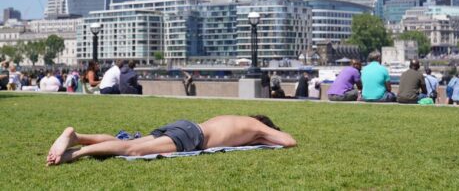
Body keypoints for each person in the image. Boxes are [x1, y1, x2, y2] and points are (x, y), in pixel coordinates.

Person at [46, 114, 297, 166]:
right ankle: (76, 154)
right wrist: (264, 133)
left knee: (133, 143)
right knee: (133, 150)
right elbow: (289, 141)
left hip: (185, 126)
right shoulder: (256, 126)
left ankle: (76, 136)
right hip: (192, 136)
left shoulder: (232, 117)